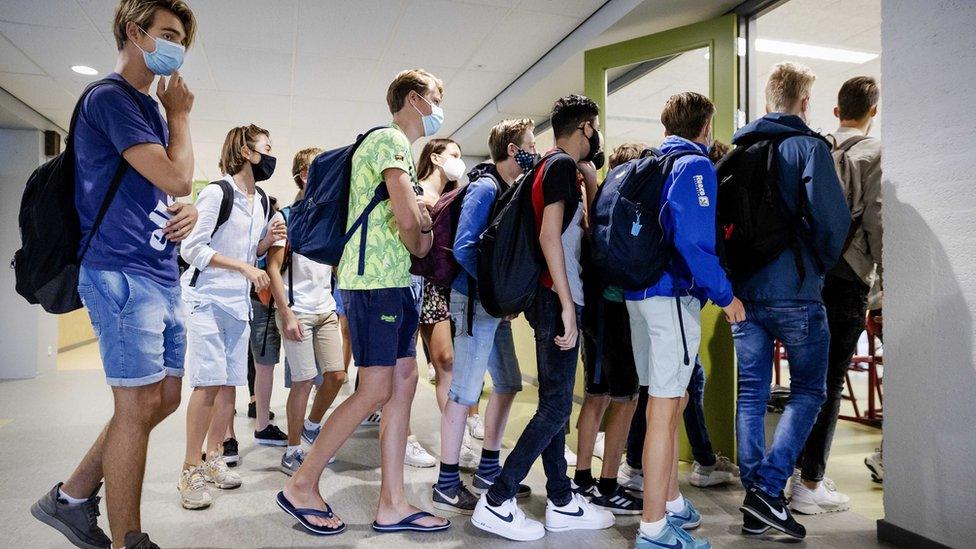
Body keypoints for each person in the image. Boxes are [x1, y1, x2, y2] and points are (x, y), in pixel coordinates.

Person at [30, 2, 198, 548]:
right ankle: (130, 539)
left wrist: (187, 207)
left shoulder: (148, 109)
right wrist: (182, 117)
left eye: (182, 39)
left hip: (160, 270)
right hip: (120, 270)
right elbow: (175, 176)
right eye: (168, 34)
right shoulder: (111, 98)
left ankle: (72, 497)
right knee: (134, 406)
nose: (177, 47)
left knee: (164, 398)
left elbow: (172, 186)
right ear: (135, 32)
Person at [278, 69, 450, 535]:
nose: (440, 106)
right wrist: (424, 214)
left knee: (405, 378)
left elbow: (417, 242)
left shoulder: (402, 154)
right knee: (375, 388)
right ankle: (302, 483)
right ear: (415, 99)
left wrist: (422, 220)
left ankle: (393, 502)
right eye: (437, 97)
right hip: (374, 283)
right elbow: (410, 223)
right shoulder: (389, 141)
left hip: (394, 282)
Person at [472, 95, 614, 541]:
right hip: (557, 299)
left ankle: (561, 498)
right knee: (554, 405)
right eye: (594, 128)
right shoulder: (556, 168)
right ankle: (497, 499)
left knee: (553, 400)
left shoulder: (551, 166)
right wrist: (569, 306)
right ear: (585, 128)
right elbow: (549, 236)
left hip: (551, 298)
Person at [731, 62, 851, 539]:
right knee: (809, 391)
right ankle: (769, 488)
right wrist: (816, 266)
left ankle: (753, 498)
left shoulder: (738, 151)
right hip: (795, 290)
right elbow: (832, 221)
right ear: (804, 104)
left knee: (752, 392)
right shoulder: (809, 148)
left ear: (766, 103)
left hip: (743, 292)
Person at [622, 92, 743, 549]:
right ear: (705, 127)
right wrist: (726, 295)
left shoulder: (648, 164)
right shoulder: (694, 167)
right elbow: (694, 242)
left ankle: (669, 501)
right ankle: (653, 528)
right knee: (665, 410)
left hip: (638, 295)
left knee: (664, 406)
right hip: (670, 295)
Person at [431, 119, 536, 514]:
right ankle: (446, 482)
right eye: (529, 143)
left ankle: (489, 467)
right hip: (474, 302)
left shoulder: (508, 190)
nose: (533, 149)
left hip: (492, 305)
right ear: (512, 148)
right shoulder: (485, 187)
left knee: (508, 382)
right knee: (464, 391)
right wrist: (497, 291)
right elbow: (463, 249)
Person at [177, 124, 284, 509]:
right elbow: (192, 249)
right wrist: (244, 267)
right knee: (206, 384)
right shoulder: (216, 193)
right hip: (205, 299)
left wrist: (265, 244)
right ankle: (190, 469)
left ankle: (214, 458)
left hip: (237, 304)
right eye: (265, 148)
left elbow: (247, 249)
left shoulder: (260, 201)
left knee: (229, 387)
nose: (271, 155)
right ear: (245, 152)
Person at [791, 76, 883, 514]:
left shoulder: (815, 148)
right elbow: (878, 222)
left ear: (835, 110)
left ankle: (789, 472)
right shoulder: (874, 153)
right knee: (828, 381)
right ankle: (810, 483)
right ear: (874, 110)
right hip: (848, 278)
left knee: (805, 380)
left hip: (808, 277)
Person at [573, 142, 646, 515]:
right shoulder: (622, 211)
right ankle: (606, 485)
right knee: (626, 398)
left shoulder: (598, 210)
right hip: (614, 310)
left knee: (596, 395)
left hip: (595, 310)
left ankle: (584, 480)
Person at [267, 147, 347, 475]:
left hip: (325, 308)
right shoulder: (285, 217)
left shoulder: (330, 219)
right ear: (304, 175)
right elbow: (273, 268)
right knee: (302, 381)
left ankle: (312, 427)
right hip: (296, 309)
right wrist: (285, 312)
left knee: (337, 376)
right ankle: (293, 449)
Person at [413, 138, 477, 469]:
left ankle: (459, 436)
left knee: (449, 363)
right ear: (436, 158)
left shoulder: (454, 197)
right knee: (420, 365)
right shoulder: (415, 191)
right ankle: (409, 438)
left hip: (445, 286)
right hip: (415, 284)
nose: (459, 160)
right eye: (454, 154)